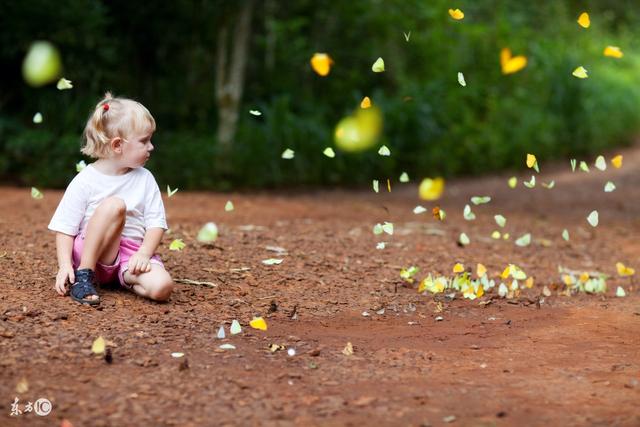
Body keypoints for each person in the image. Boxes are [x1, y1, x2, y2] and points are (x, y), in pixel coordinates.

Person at [48, 92, 174, 305]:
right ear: (117, 145)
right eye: (144, 141)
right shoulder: (85, 180)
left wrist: (143, 254)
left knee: (162, 287)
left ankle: (123, 278)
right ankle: (84, 277)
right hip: (92, 253)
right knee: (115, 205)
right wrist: (64, 266)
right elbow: (65, 228)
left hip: (127, 256)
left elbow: (155, 224)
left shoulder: (145, 179)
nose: (151, 147)